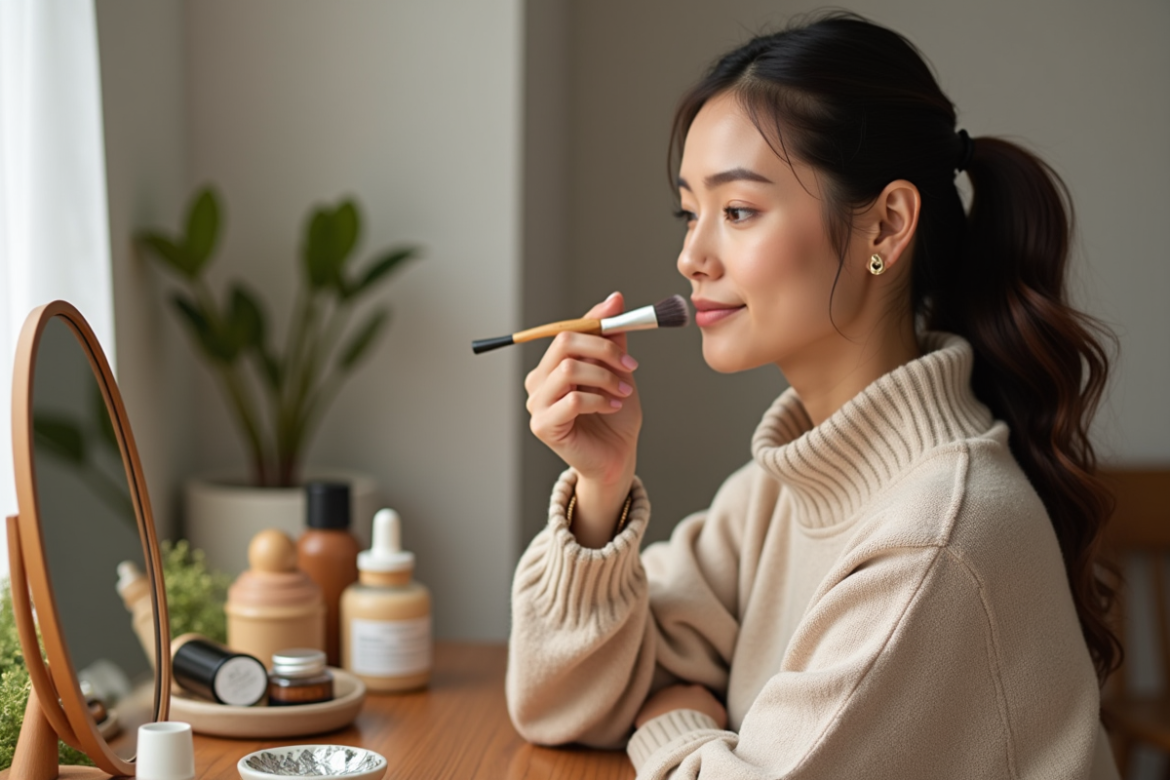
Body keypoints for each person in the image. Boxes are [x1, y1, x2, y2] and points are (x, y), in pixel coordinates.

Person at [506, 12, 1121, 779]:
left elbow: (655, 713)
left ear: (887, 226)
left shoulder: (935, 540)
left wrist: (677, 723)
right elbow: (564, 705)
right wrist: (601, 488)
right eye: (688, 212)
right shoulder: (778, 494)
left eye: (736, 211)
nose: (690, 257)